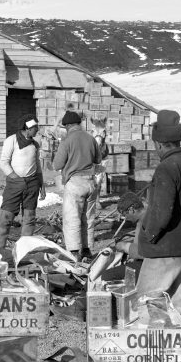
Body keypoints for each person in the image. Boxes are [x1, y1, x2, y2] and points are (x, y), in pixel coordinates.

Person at [132, 110, 181, 313]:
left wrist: (149, 235)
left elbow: (161, 212)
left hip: (166, 250)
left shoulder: (166, 168)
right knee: (179, 305)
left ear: (158, 144)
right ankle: (179, 343)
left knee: (148, 304)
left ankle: (151, 343)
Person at [51, 105, 102, 260]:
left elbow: (57, 165)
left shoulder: (67, 141)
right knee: (88, 218)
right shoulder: (91, 139)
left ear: (68, 126)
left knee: (72, 218)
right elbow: (98, 160)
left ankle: (74, 253)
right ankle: (87, 250)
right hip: (91, 183)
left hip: (75, 183)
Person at [0, 116, 46, 250]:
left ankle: (25, 249)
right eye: (36, 128)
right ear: (28, 129)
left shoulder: (35, 144)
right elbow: (4, 162)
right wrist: (15, 178)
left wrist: (42, 184)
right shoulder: (11, 140)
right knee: (6, 217)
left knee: (29, 218)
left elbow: (38, 165)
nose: (38, 131)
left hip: (32, 184)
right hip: (14, 184)